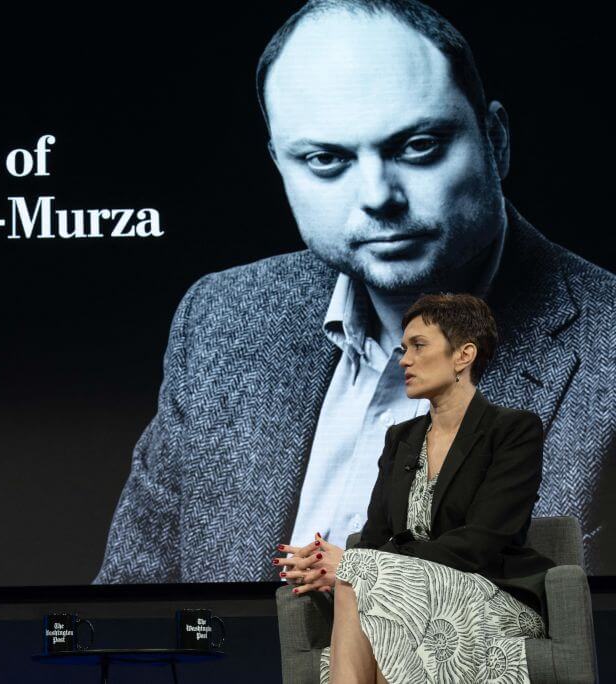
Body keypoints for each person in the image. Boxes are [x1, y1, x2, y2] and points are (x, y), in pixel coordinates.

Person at [96, 0, 616, 583]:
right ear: (280, 166)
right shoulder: (221, 319)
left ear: (494, 141)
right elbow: (130, 613)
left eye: (417, 146)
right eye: (326, 159)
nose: (378, 196)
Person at [276, 293, 553, 682]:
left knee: (363, 582)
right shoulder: (400, 438)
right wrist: (325, 562)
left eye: (418, 346)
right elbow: (374, 538)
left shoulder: (512, 430)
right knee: (366, 585)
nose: (404, 359)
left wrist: (360, 566)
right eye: (403, 348)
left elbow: (482, 541)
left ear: (464, 355)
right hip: (403, 594)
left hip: (489, 591)